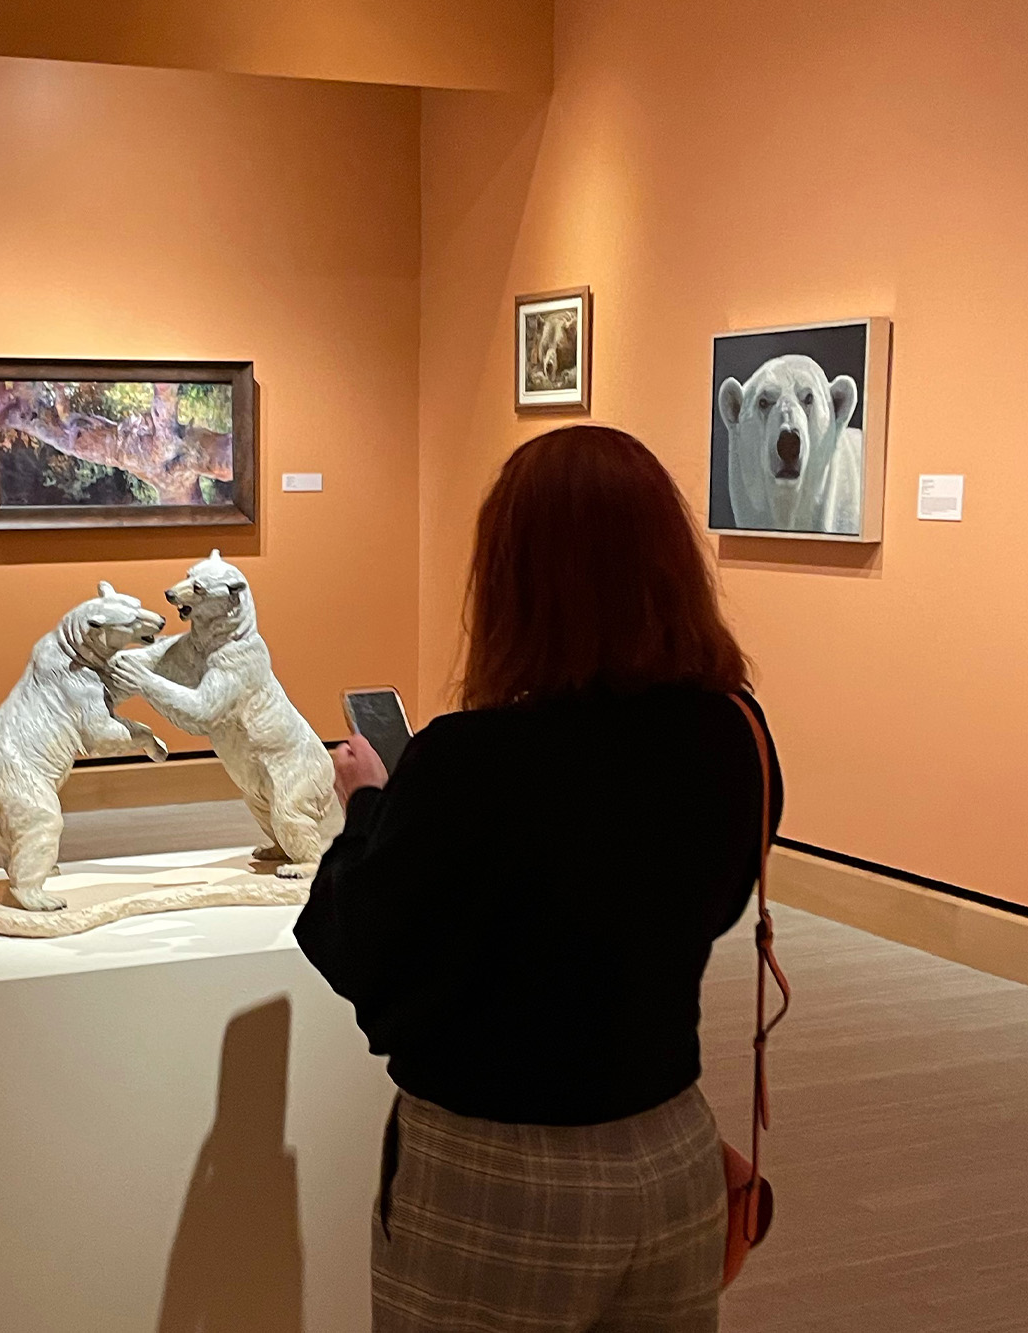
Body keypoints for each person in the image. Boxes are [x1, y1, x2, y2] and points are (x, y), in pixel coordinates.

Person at [295, 424, 782, 1333]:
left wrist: (370, 809)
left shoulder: (468, 763)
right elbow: (706, 909)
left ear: (513, 578)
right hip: (674, 1151)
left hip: (498, 1177)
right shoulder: (735, 734)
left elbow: (357, 946)